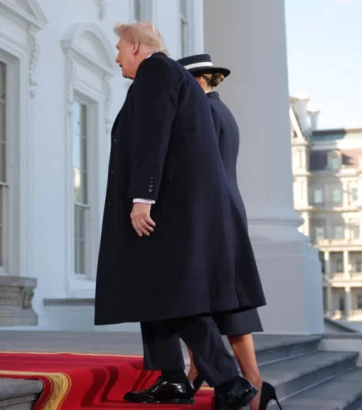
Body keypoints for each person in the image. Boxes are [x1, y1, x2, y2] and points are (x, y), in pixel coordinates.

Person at [93, 22, 266, 409]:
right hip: (174, 208)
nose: (116, 55)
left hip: (165, 209)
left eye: (120, 47)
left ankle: (229, 383)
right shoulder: (170, 76)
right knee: (154, 291)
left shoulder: (157, 69)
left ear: (137, 47)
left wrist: (143, 198)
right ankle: (173, 377)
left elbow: (153, 135)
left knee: (172, 296)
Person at [176, 53, 280, 410]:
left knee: (200, 294)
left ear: (196, 81)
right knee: (222, 295)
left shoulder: (202, 112)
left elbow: (198, 170)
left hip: (211, 213)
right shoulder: (223, 111)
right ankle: (246, 381)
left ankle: (242, 379)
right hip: (226, 209)